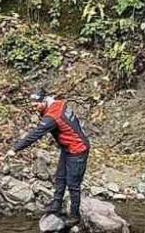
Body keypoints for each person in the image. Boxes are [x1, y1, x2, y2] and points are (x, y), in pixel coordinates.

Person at [8, 90, 90, 224]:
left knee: (73, 184)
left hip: (77, 150)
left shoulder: (52, 117)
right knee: (60, 177)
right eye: (32, 105)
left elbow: (35, 135)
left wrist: (15, 149)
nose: (34, 108)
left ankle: (75, 217)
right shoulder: (58, 104)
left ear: (44, 101)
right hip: (67, 147)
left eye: (36, 105)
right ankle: (55, 206)